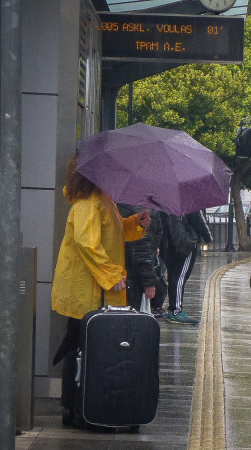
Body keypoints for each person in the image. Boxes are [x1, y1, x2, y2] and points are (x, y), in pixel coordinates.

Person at [51, 156, 151, 425]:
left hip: (99, 290)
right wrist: (111, 275)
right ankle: (73, 404)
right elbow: (86, 242)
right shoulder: (88, 201)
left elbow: (115, 233)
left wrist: (136, 223)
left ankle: (84, 402)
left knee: (87, 346)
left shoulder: (102, 198)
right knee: (78, 346)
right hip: (87, 291)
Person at [161, 210, 212, 324]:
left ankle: (172, 309)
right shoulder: (188, 201)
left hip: (169, 245)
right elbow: (197, 218)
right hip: (185, 244)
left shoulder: (164, 201)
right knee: (180, 278)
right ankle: (176, 311)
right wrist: (207, 237)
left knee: (173, 277)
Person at [117, 204, 167, 318]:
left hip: (123, 276)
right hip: (133, 280)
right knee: (133, 322)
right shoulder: (143, 210)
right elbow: (142, 250)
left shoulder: (118, 205)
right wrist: (149, 283)